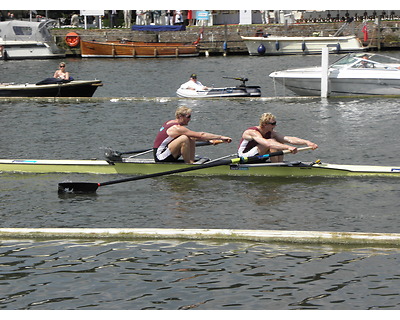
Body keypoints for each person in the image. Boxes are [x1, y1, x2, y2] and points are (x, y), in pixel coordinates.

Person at [153, 106, 232, 164]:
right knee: (184, 138)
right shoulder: (177, 128)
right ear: (180, 116)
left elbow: (196, 137)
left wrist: (212, 140)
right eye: (188, 116)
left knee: (191, 137)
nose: (190, 119)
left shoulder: (170, 122)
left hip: (166, 152)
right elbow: (201, 135)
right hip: (160, 157)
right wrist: (221, 137)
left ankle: (191, 161)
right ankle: (189, 164)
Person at [238, 112, 318, 162]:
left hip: (258, 155)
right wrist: (288, 148)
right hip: (244, 157)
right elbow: (267, 144)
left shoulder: (271, 132)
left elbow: (289, 139)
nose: (275, 125)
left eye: (275, 123)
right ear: (265, 124)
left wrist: (307, 142)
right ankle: (276, 166)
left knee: (279, 141)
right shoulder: (252, 132)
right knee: (271, 142)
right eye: (273, 124)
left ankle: (279, 164)